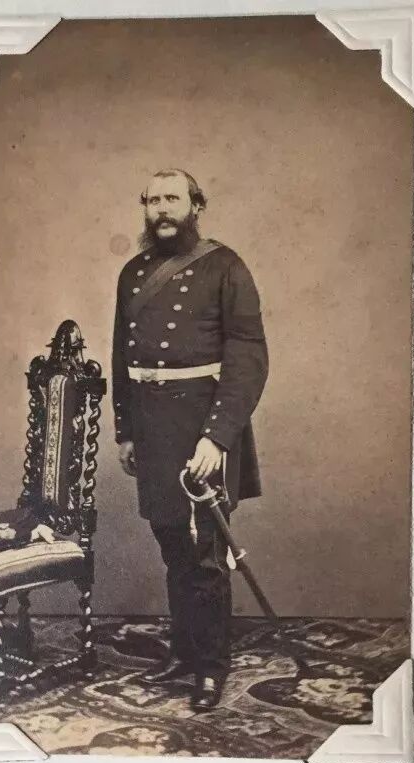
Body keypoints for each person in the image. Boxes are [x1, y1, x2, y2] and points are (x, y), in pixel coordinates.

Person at [111, 168, 268, 711]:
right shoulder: (133, 273)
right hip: (153, 428)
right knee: (173, 547)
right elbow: (121, 355)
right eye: (153, 200)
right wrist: (127, 431)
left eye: (173, 198)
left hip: (202, 426)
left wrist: (217, 439)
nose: (162, 209)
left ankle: (210, 667)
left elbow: (248, 358)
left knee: (206, 555)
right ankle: (183, 652)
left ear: (196, 206)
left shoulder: (226, 266)